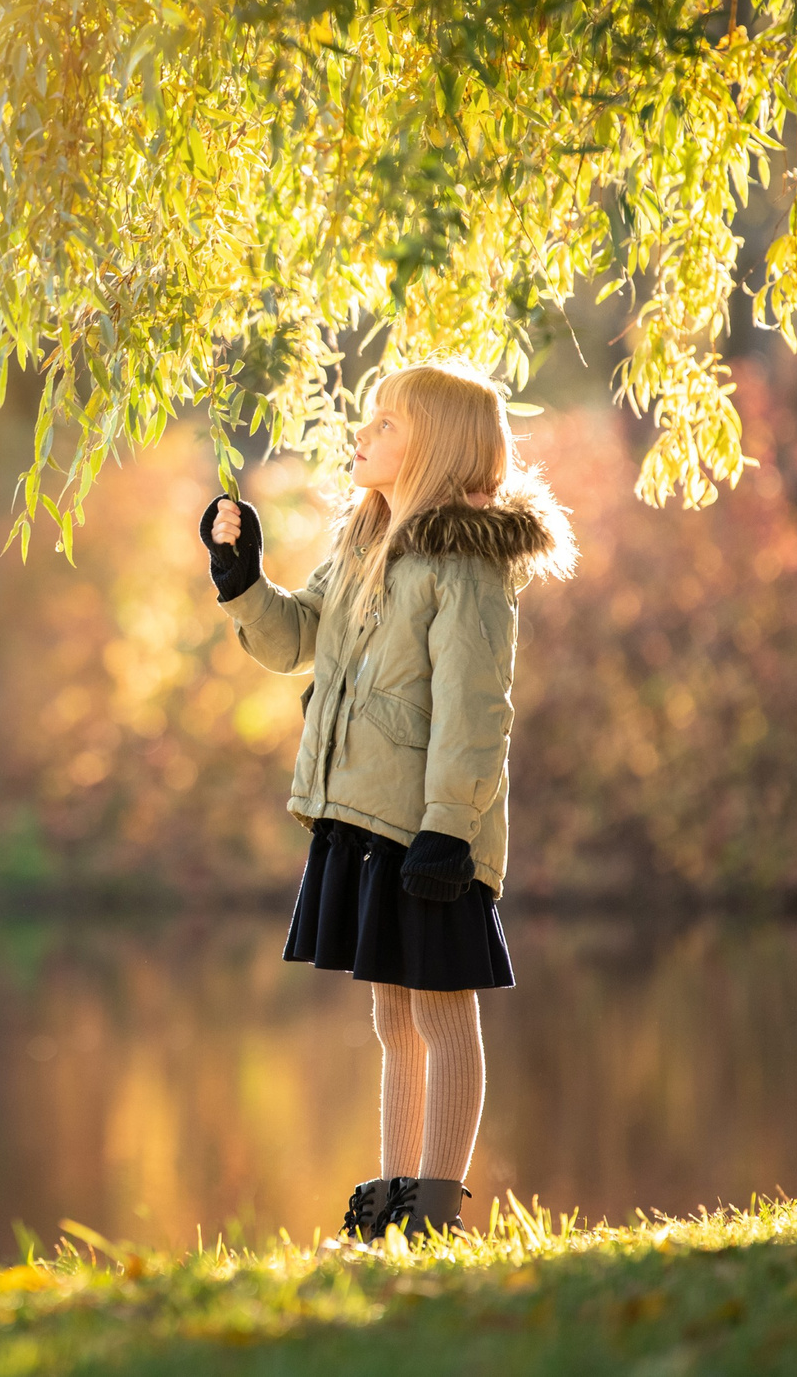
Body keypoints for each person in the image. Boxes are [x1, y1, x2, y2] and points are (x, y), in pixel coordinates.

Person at [202, 361, 573, 1241]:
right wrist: (242, 578)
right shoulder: (364, 544)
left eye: (386, 423)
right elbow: (299, 641)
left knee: (442, 1008)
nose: (362, 435)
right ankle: (390, 1203)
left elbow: (476, 710)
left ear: (435, 446)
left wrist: (449, 828)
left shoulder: (467, 566)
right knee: (393, 1012)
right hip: (364, 817)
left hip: (429, 829)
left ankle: (435, 1212)